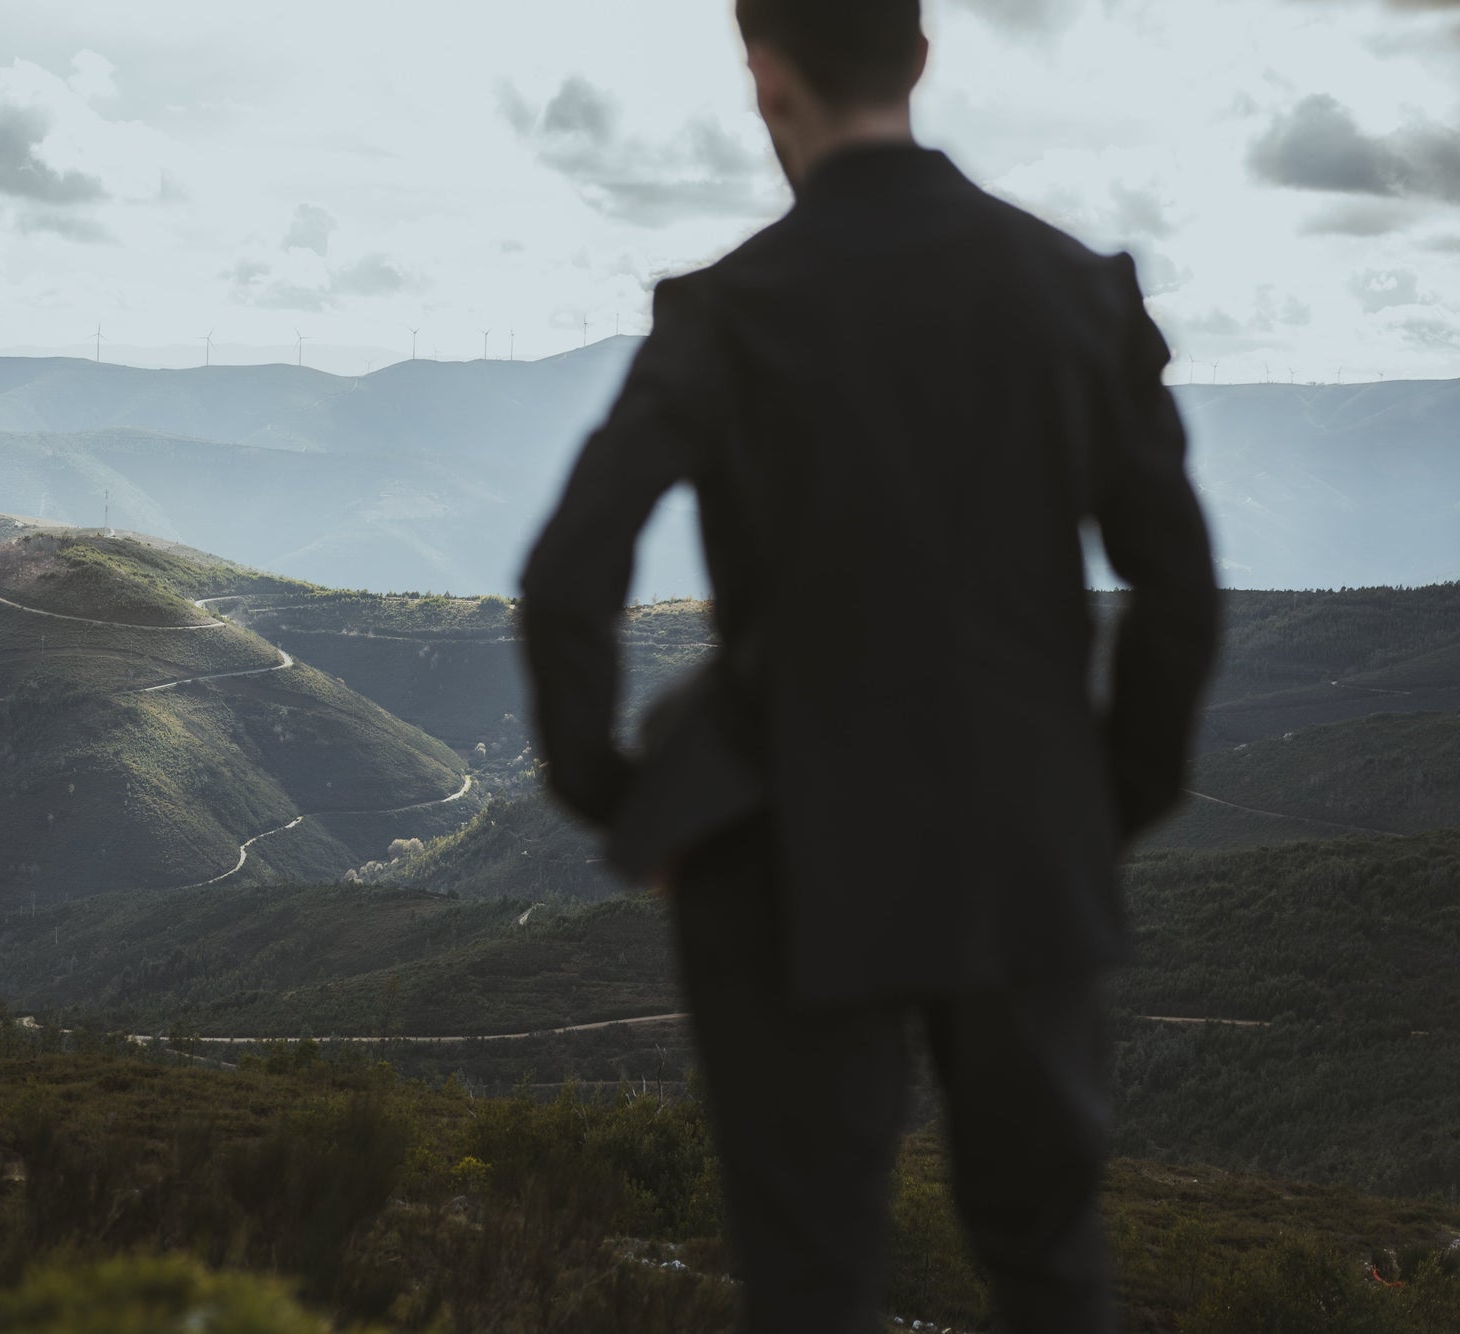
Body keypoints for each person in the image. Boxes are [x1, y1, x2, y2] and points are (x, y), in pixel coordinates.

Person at [517, 2, 1220, 1330]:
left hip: (782, 845)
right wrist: (1102, 800)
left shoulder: (727, 310)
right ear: (922, 58)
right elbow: (1180, 589)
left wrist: (618, 795)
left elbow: (569, 573)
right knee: (1048, 1257)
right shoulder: (1076, 291)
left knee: (811, 1272)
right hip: (1022, 838)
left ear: (764, 78)